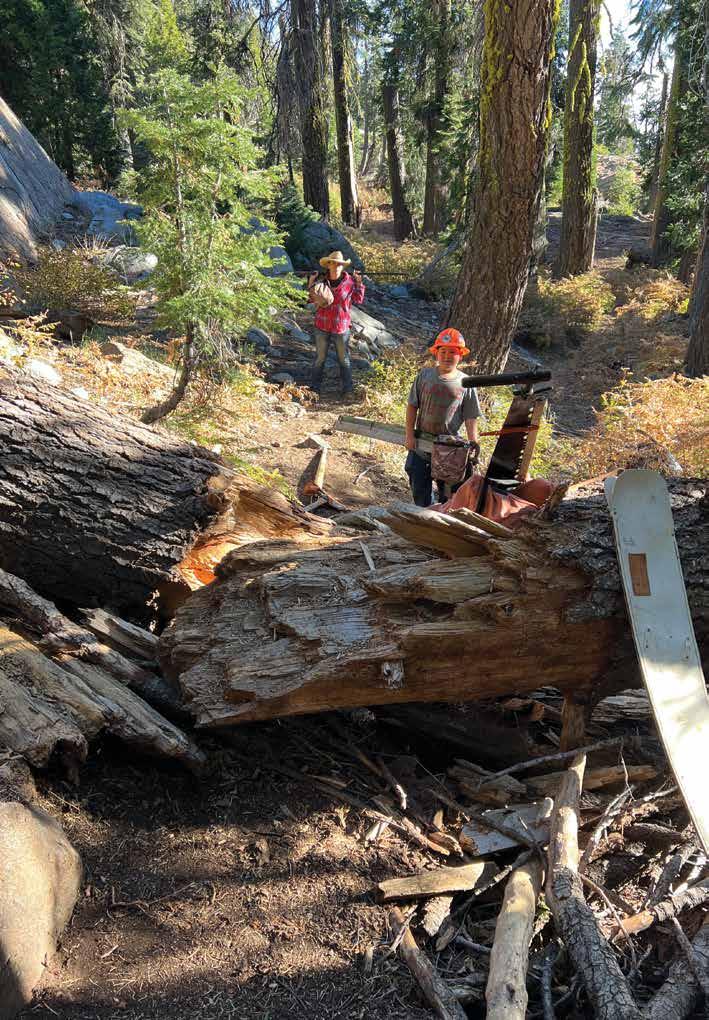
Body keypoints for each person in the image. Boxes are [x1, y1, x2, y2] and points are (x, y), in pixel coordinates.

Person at [405, 327, 481, 507]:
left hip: (450, 448)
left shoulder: (466, 383)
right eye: (443, 351)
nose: (447, 356)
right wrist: (409, 435)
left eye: (452, 352)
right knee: (418, 484)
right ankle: (424, 515)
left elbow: (471, 417)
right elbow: (412, 406)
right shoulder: (425, 376)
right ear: (436, 353)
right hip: (421, 443)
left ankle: (441, 514)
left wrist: (473, 442)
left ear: (460, 355)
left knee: (448, 493)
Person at [308, 250, 365, 398]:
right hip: (322, 325)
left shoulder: (350, 282)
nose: (336, 266)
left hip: (341, 327)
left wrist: (359, 283)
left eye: (339, 264)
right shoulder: (320, 281)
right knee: (320, 359)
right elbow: (310, 299)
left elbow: (358, 300)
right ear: (328, 265)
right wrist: (311, 282)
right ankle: (314, 389)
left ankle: (348, 390)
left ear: (343, 266)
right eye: (333, 263)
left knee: (344, 359)